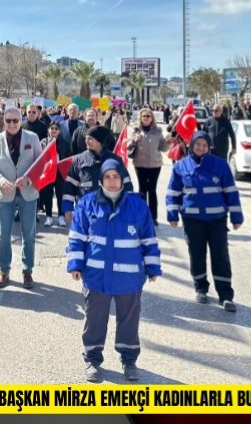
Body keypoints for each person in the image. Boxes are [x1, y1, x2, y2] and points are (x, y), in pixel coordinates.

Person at [67, 159, 161, 382]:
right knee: (94, 319)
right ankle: (92, 359)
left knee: (129, 321)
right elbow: (77, 237)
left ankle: (129, 361)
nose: (111, 181)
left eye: (115, 177)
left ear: (122, 179)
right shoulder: (87, 203)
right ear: (101, 179)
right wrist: (75, 264)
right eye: (107, 177)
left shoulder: (138, 206)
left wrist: (153, 267)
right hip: (96, 276)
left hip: (129, 278)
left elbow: (149, 239)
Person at [165, 131, 243, 312]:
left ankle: (225, 295)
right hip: (192, 220)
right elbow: (173, 193)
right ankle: (201, 288)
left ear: (209, 147)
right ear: (191, 145)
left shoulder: (220, 165)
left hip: (217, 220)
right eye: (198, 144)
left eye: (204, 145)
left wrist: (236, 216)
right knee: (197, 253)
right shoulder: (181, 167)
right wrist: (172, 214)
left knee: (220, 256)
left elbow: (231, 192)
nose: (201, 148)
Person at [0, 107, 43, 289]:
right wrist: (1, 181)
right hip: (5, 195)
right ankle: (4, 270)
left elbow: (41, 163)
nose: (11, 124)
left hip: (28, 193)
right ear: (3, 121)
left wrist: (28, 179)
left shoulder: (32, 138)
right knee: (3, 236)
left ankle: (27, 271)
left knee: (29, 235)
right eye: (8, 121)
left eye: (15, 121)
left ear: (21, 120)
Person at [63, 125, 132, 226]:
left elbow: (126, 185)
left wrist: (126, 208)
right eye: (86, 138)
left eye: (90, 139)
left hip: (110, 211)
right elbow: (69, 185)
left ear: (100, 141)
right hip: (85, 210)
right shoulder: (79, 159)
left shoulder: (115, 160)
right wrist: (67, 208)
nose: (86, 141)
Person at [128, 108, 169, 225]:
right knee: (142, 190)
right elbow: (127, 146)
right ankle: (141, 216)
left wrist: (168, 142)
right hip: (140, 164)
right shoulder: (136, 130)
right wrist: (133, 141)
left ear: (152, 118)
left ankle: (153, 217)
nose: (146, 118)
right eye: (144, 116)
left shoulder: (158, 131)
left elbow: (163, 148)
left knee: (152, 190)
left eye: (148, 116)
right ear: (140, 118)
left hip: (155, 165)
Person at [40, 121, 72, 227]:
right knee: (48, 195)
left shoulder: (65, 143)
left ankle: (61, 216)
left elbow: (69, 158)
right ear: (48, 130)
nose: (54, 130)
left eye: (56, 128)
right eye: (52, 128)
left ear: (59, 131)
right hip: (48, 172)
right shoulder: (43, 142)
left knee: (60, 195)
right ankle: (49, 216)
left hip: (60, 173)